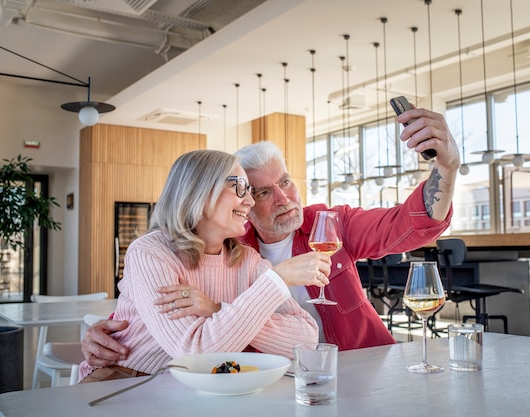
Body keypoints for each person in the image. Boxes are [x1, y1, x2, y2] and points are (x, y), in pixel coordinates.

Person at [81, 105, 459, 367]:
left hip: (358, 361)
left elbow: (409, 223)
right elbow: (163, 312)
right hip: (269, 379)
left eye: (285, 182)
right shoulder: (230, 246)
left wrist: (447, 167)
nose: (283, 198)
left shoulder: (328, 224)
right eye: (260, 191)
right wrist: (100, 336)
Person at [78, 149, 327, 382]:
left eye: (249, 190)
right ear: (198, 192)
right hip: (122, 383)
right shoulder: (150, 253)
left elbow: (306, 338)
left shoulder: (248, 261)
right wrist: (277, 281)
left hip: (198, 388)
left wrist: (216, 309)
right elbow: (193, 351)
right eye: (238, 187)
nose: (250, 201)